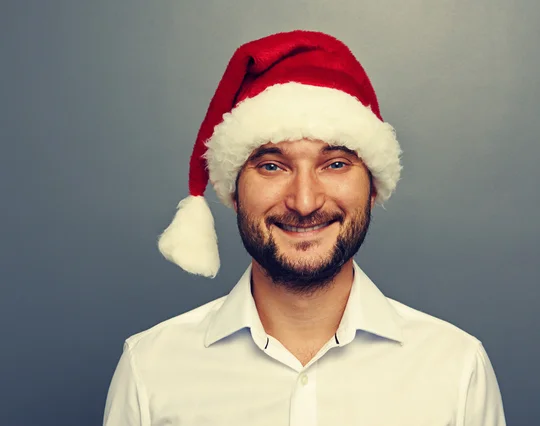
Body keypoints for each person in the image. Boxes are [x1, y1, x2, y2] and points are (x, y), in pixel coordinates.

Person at [103, 30, 506, 426]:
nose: (305, 201)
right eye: (272, 166)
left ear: (372, 187)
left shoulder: (456, 367)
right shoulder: (150, 367)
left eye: (335, 164)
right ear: (235, 191)